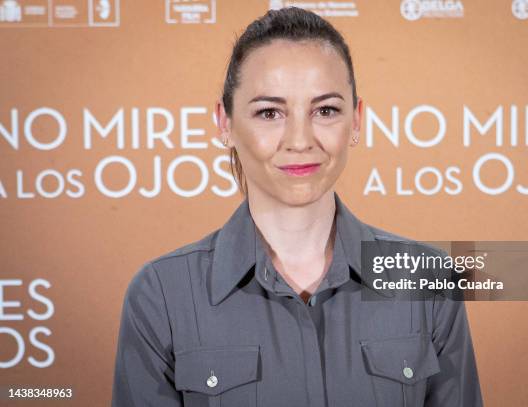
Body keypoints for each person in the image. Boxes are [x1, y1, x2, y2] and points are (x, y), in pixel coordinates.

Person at [111, 7, 483, 407]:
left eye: (325, 110)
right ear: (225, 123)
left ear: (356, 120)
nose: (300, 140)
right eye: (269, 112)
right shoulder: (161, 295)